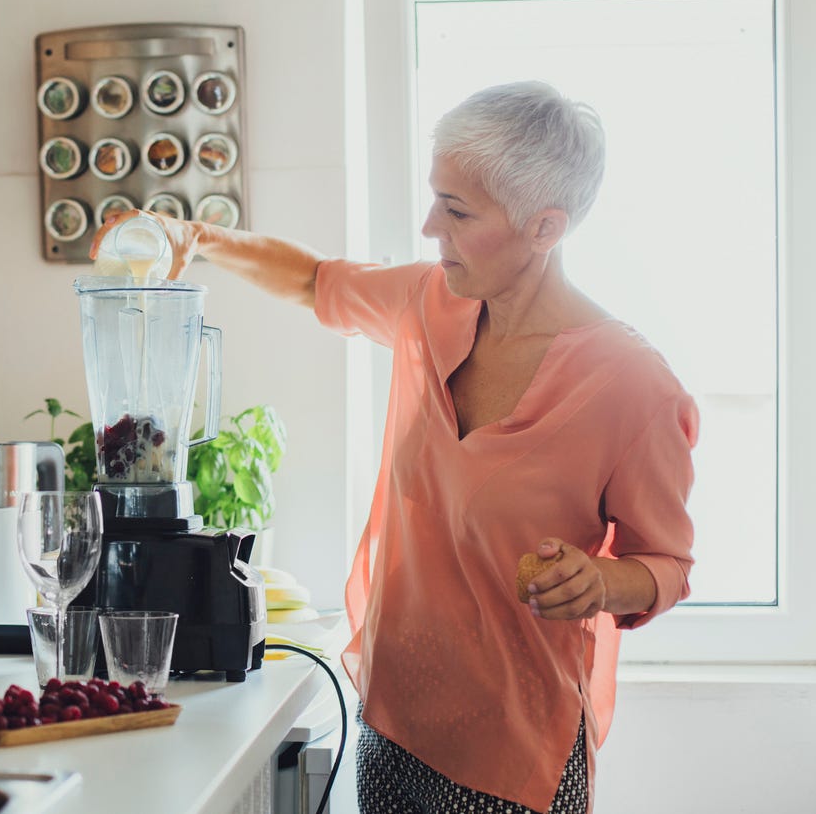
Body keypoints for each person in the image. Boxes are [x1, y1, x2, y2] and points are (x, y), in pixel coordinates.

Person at [91, 80, 698, 814]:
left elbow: (664, 564)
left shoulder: (633, 387)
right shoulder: (429, 302)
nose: (427, 226)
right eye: (435, 197)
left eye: (457, 210)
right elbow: (313, 279)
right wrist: (201, 238)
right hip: (391, 718)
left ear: (545, 228)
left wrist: (602, 584)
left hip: (512, 754)